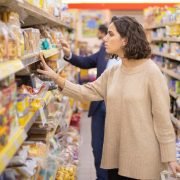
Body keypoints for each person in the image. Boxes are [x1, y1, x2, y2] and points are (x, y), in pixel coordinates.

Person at [38, 16, 180, 180]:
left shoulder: (151, 72)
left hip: (143, 160)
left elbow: (163, 120)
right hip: (116, 156)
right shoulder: (114, 72)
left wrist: (170, 158)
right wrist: (55, 78)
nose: (105, 38)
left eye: (111, 34)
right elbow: (86, 91)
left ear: (125, 40)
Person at [60, 24, 120, 180]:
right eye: (107, 34)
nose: (105, 38)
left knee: (118, 151)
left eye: (111, 34)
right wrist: (69, 54)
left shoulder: (134, 60)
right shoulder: (105, 51)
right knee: (97, 148)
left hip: (121, 112)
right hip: (100, 107)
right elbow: (86, 62)